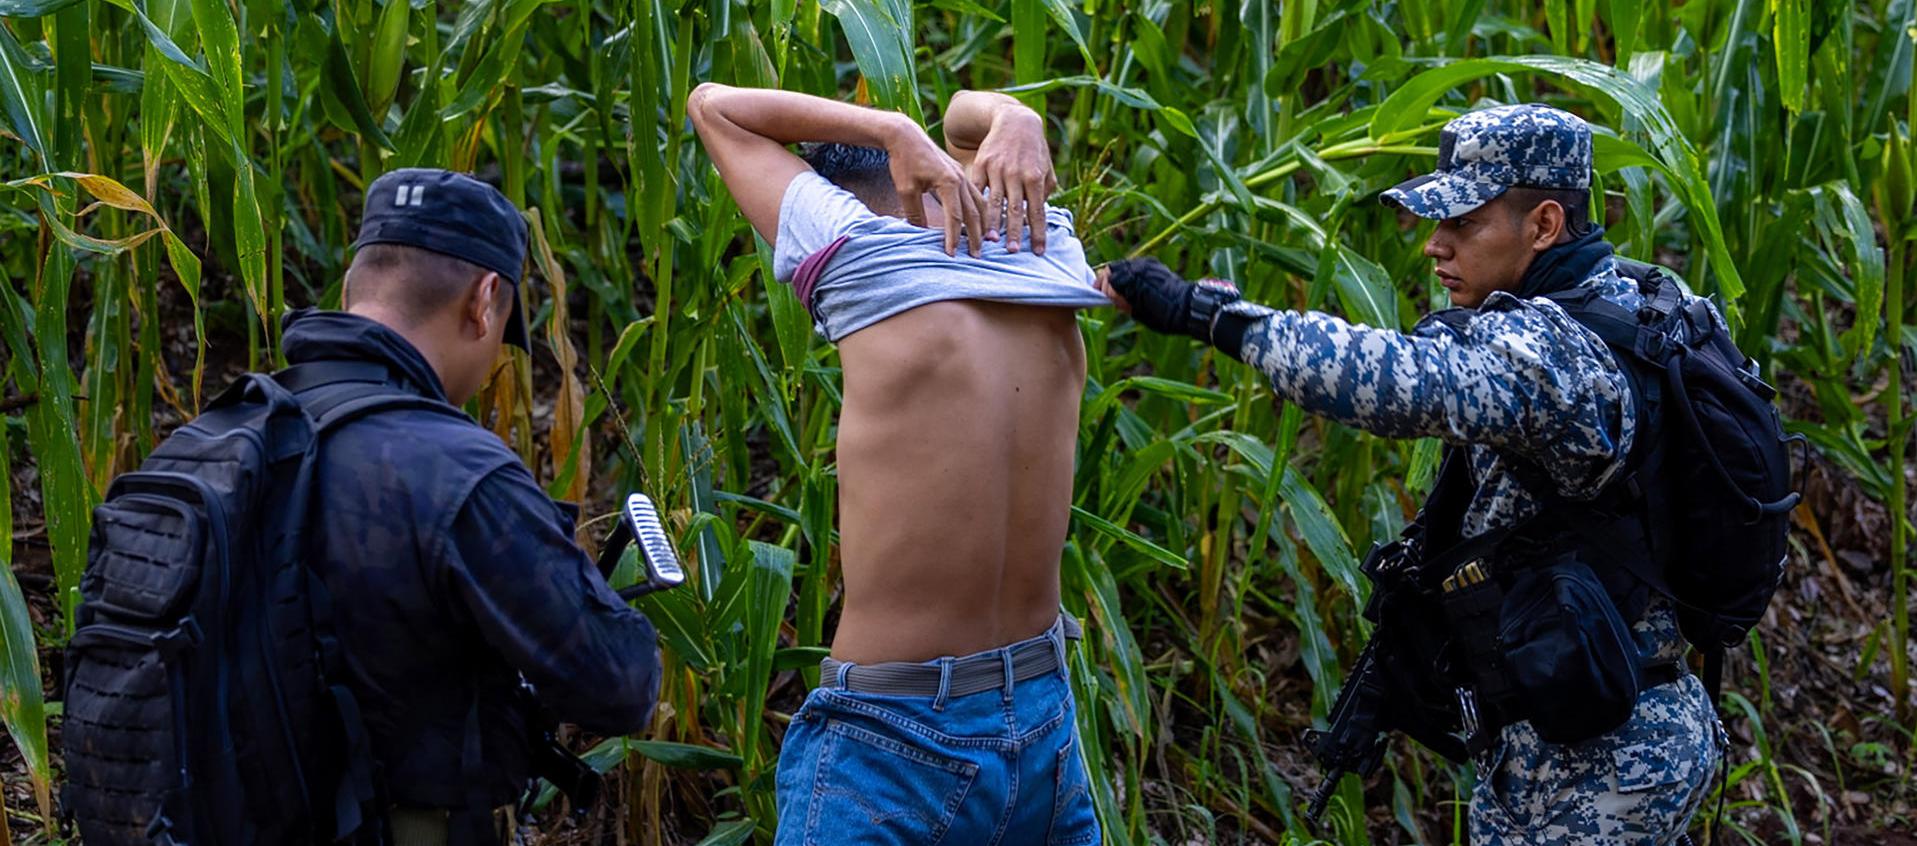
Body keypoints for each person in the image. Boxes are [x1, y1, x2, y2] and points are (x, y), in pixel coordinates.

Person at [1100, 105, 1725, 843]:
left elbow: (1396, 383)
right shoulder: (1635, 299)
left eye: (1462, 223)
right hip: (1607, 719)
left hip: (1599, 763)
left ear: (1545, 224)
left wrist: (1207, 315)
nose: (1435, 246)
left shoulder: (1559, 357)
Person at [687, 83, 1104, 845]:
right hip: (1040, 715)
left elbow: (714, 106)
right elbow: (966, 117)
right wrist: (1017, 119)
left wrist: (889, 129)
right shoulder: (1043, 240)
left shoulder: (857, 247)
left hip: (897, 735)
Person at [282, 168, 662, 845]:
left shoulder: (221, 437)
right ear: (484, 302)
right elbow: (620, 685)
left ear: (349, 287)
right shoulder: (455, 471)